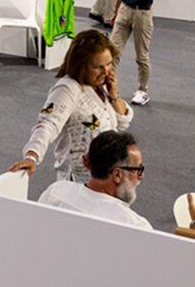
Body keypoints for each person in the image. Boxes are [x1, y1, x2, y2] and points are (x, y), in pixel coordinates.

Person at [9, 29, 132, 183]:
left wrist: (114, 95)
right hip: (78, 181)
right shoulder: (67, 90)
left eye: (109, 64)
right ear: (81, 65)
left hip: (106, 177)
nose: (106, 72)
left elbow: (122, 123)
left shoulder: (102, 85)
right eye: (98, 67)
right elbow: (48, 124)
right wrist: (32, 156)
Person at [38, 130, 152, 231]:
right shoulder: (136, 226)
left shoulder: (57, 191)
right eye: (138, 170)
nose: (141, 176)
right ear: (117, 175)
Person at [110, 0, 162, 107]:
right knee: (112, 51)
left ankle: (142, 90)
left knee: (141, 55)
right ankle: (110, 88)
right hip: (125, 10)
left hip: (143, 13)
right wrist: (115, 11)